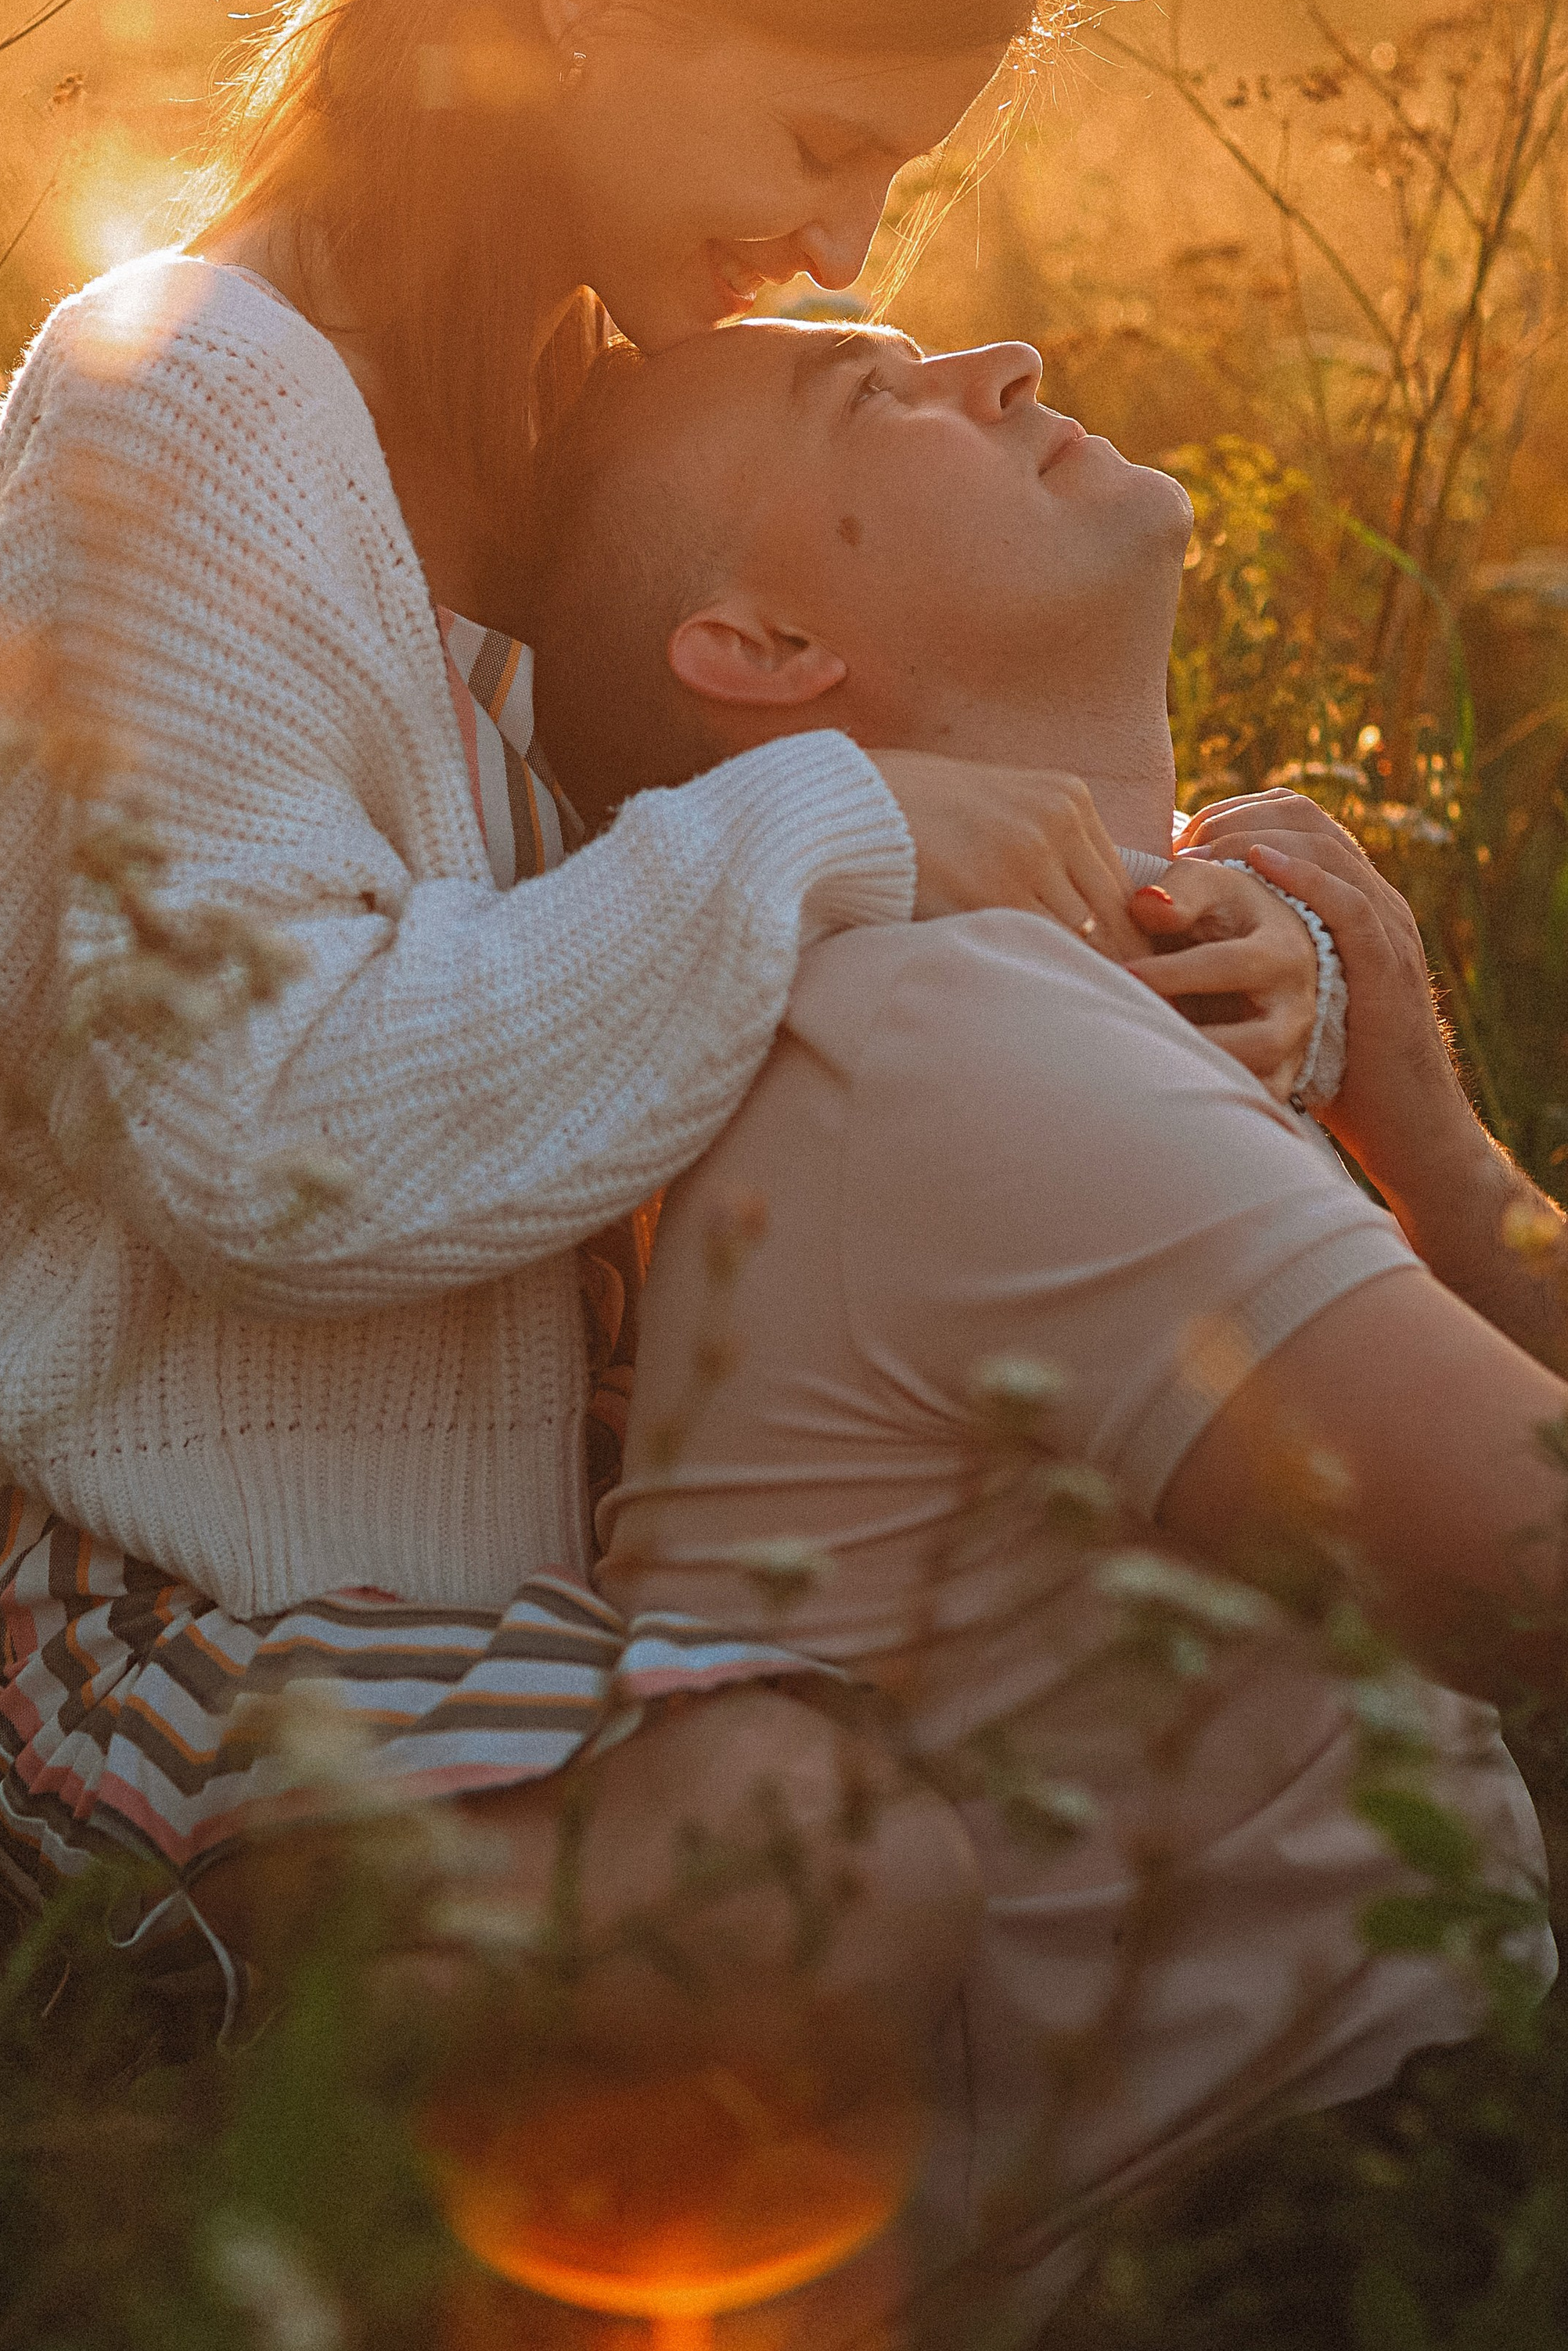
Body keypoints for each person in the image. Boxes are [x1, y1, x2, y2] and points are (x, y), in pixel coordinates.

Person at [0, 0, 1246, 2060]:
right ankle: (156, 2214)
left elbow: (923, 838)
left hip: (639, 1582)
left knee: (1164, 1815)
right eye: (827, 147)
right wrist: (833, 828)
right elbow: (262, 1136)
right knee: (804, 1899)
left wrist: (1233, 945)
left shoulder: (625, 427)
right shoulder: (175, 399)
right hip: (203, 1597)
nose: (848, 250)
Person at [538, 322, 1563, 2336]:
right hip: (1294, 2231)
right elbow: (1530, 1575)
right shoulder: (937, 1037)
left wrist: (1423, 1132)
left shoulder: (1054, 994)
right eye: (874, 399)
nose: (998, 359)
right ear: (753, 646)